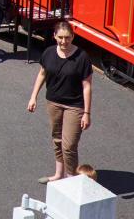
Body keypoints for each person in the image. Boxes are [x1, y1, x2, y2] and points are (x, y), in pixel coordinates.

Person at [27, 20, 93, 183]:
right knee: (57, 139)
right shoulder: (49, 52)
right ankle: (58, 174)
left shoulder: (82, 57)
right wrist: (33, 96)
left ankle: (71, 179)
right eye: (61, 37)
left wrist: (86, 113)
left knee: (69, 145)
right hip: (53, 102)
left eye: (68, 37)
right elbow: (42, 74)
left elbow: (87, 87)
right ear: (54, 36)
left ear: (73, 37)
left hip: (74, 106)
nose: (64, 41)